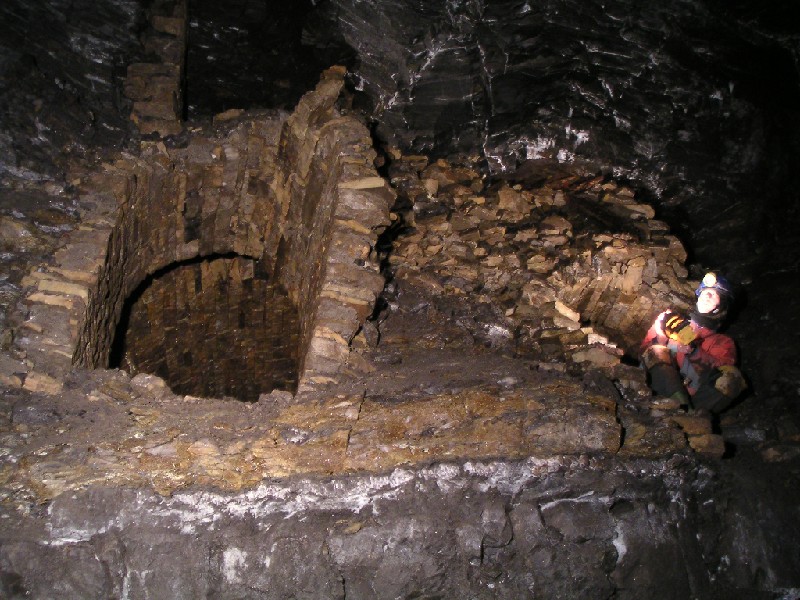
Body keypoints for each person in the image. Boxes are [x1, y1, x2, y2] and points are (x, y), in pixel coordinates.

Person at [640, 272, 747, 415]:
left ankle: (689, 414)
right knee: (656, 350)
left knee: (732, 377)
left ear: (720, 306)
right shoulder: (671, 319)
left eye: (715, 294)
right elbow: (644, 351)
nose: (708, 296)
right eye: (706, 291)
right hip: (658, 384)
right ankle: (677, 407)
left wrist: (693, 351)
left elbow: (721, 372)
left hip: (693, 397)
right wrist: (663, 335)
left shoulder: (722, 342)